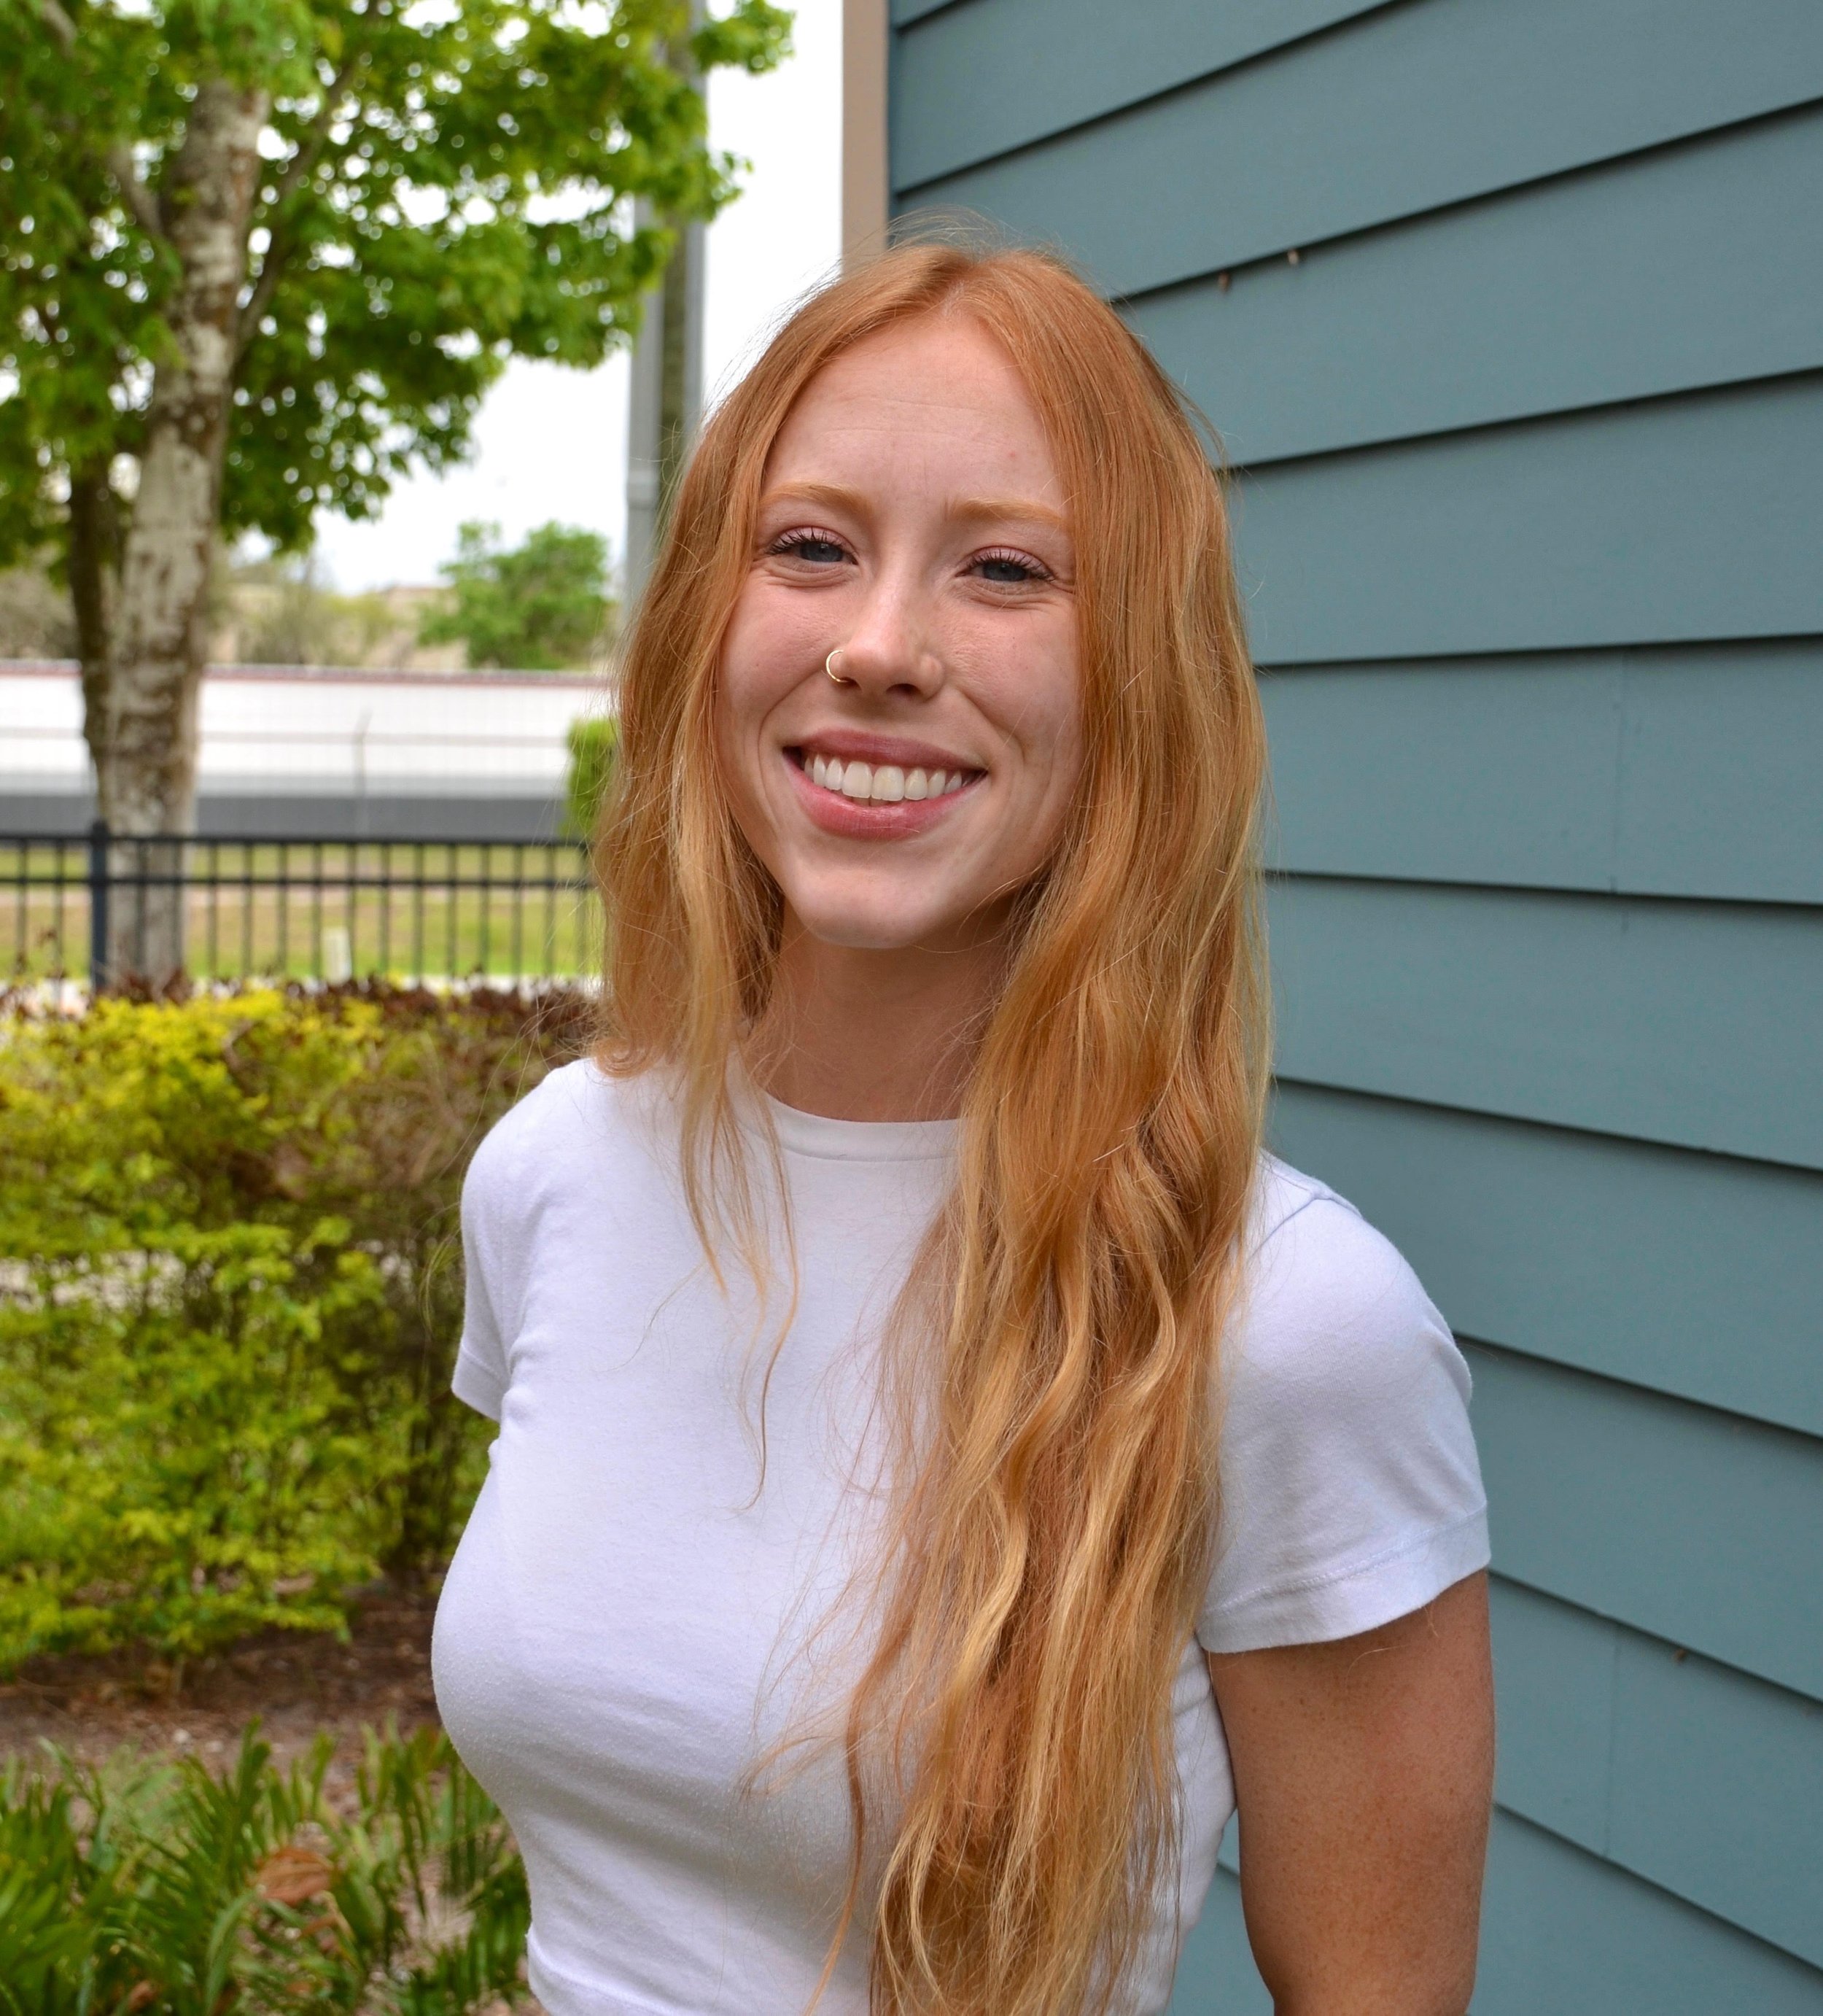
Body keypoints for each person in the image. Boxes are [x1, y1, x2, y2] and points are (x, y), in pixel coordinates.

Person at [432, 243, 1494, 2016]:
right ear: (704, 618)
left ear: (1136, 676)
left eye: (1003, 568)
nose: (874, 645)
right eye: (808, 545)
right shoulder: (554, 1171)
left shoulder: (1287, 1321)